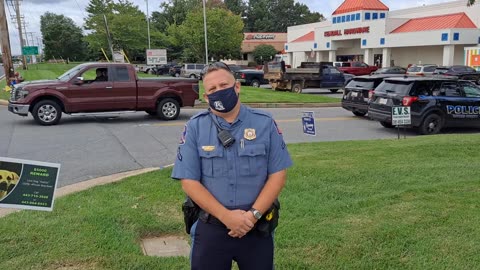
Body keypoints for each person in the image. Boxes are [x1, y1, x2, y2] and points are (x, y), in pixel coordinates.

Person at [171, 62, 292, 270]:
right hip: (212, 227)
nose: (219, 91)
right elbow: (189, 182)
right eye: (212, 89)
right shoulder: (195, 127)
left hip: (256, 226)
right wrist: (226, 216)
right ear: (206, 97)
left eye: (223, 85)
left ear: (237, 87)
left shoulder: (264, 123)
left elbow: (278, 175)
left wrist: (252, 216)